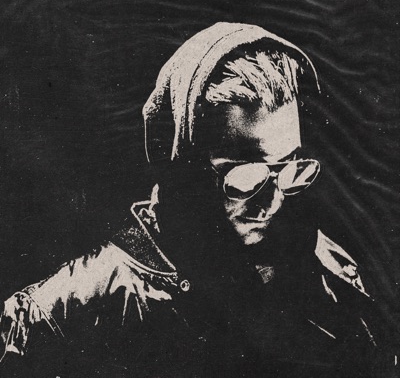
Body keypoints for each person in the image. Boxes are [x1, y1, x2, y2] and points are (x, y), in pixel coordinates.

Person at [0, 22, 397, 377]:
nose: (272, 203)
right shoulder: (63, 313)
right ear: (180, 167)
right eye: (246, 174)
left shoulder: (329, 272)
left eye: (290, 167)